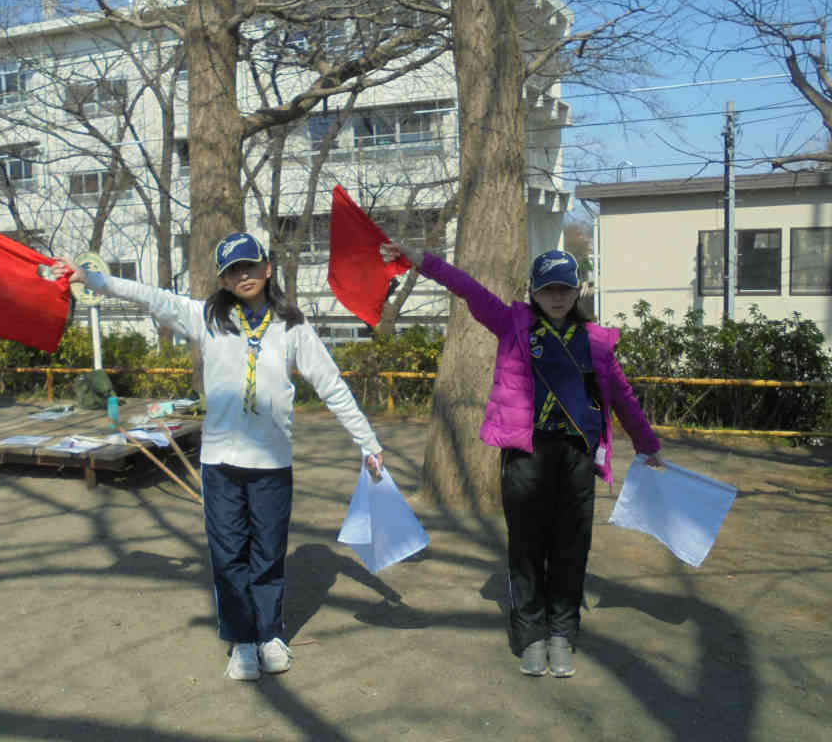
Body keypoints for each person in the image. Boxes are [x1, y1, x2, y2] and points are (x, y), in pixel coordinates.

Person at [52, 232, 384, 681]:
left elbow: (331, 385)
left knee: (268, 554)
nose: (243, 275)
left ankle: (270, 634)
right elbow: (150, 295)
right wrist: (92, 278)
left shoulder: (293, 326)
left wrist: (368, 443)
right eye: (233, 270)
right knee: (229, 557)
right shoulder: (206, 318)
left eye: (250, 265)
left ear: (267, 269)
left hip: (272, 465)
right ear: (224, 279)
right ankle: (242, 641)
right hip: (222, 464)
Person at [379, 241, 661, 679]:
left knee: (571, 551)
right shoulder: (511, 324)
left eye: (565, 288)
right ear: (533, 290)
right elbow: (467, 288)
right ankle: (531, 635)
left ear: (577, 290)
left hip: (577, 459)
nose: (557, 296)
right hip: (526, 455)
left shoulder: (597, 342)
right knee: (527, 550)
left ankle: (562, 634)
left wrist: (647, 444)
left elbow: (622, 395)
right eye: (548, 288)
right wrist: (420, 259)